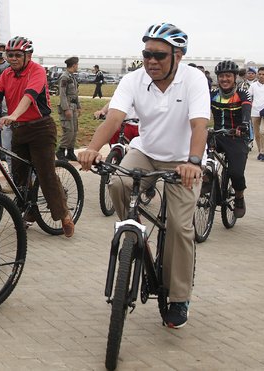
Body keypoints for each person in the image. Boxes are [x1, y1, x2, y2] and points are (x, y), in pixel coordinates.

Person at [78, 22, 210, 329]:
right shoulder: (134, 79)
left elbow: (199, 125)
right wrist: (92, 148)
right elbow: (114, 119)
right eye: (147, 53)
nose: (151, 60)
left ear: (178, 55)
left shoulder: (194, 79)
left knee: (179, 226)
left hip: (182, 160)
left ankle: (178, 296)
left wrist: (193, 162)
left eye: (159, 55)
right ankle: (137, 236)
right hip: (147, 152)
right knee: (118, 181)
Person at [0, 36, 75, 237]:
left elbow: (29, 95)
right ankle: (29, 211)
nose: (13, 59)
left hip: (41, 128)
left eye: (18, 55)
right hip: (19, 131)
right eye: (10, 55)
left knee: (45, 173)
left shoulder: (37, 70)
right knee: (19, 177)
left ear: (28, 56)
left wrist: (15, 114)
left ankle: (64, 214)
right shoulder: (6, 74)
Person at [208, 60, 252, 218]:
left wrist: (244, 125)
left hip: (237, 136)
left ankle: (239, 198)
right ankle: (208, 180)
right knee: (196, 156)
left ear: (234, 77)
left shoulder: (242, 94)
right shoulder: (212, 95)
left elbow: (247, 111)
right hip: (217, 135)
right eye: (221, 76)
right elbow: (199, 111)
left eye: (228, 76)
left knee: (236, 173)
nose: (224, 79)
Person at [57, 56, 81, 161]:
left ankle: (70, 152)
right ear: (74, 65)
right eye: (77, 64)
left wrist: (78, 107)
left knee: (74, 130)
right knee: (69, 130)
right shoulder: (64, 77)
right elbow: (62, 94)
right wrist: (66, 109)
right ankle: (61, 151)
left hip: (73, 106)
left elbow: (75, 94)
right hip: (67, 107)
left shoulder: (72, 77)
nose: (77, 66)